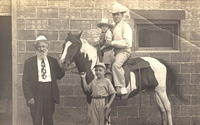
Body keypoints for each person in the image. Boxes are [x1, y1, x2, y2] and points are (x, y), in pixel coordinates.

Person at [22, 35, 65, 125]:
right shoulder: (29, 62)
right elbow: (25, 81)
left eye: (43, 46)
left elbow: (60, 76)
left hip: (49, 92)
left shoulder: (53, 61)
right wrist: (29, 96)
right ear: (36, 48)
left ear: (47, 47)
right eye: (39, 46)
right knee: (36, 119)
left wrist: (61, 66)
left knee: (49, 119)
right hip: (36, 93)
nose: (42, 49)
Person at [106, 2, 133, 95]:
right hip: (114, 52)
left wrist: (112, 43)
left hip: (124, 51)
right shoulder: (113, 26)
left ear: (122, 15)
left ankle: (122, 87)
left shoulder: (126, 26)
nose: (115, 16)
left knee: (116, 65)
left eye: (117, 14)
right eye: (114, 15)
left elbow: (127, 43)